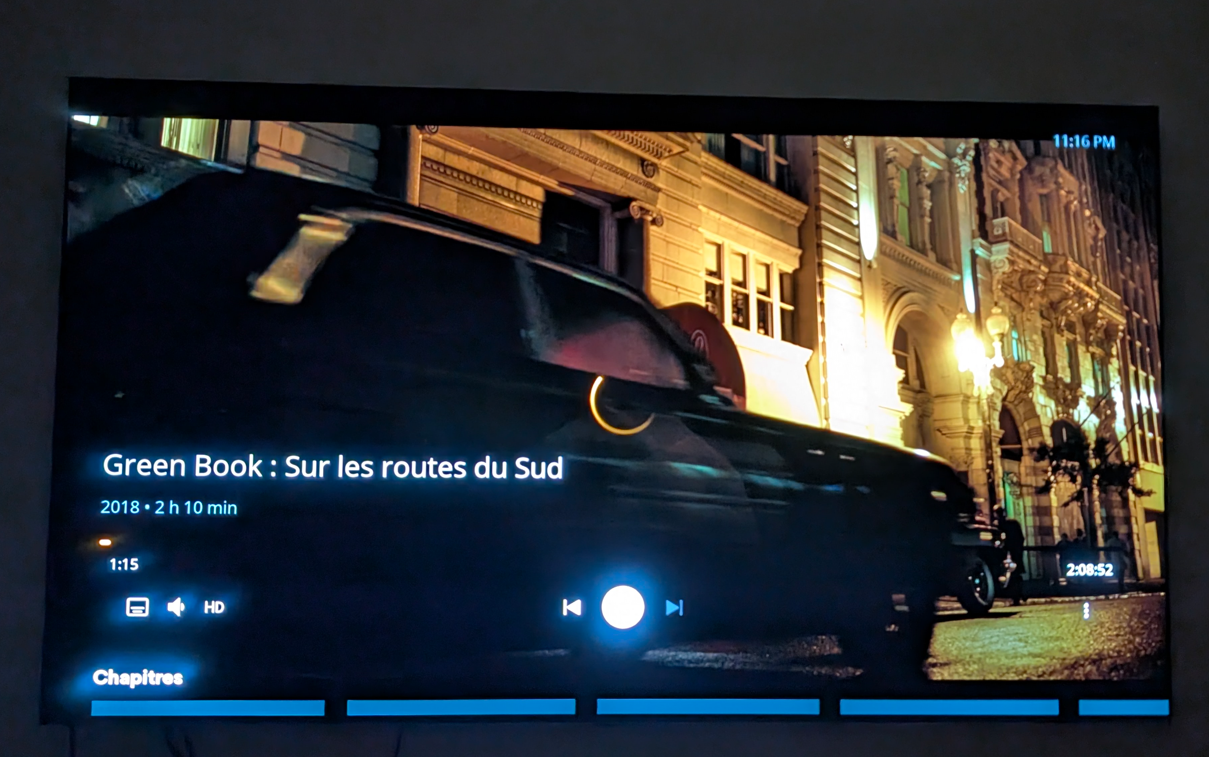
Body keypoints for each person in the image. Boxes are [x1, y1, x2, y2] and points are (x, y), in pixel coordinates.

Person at [1001, 517, 1027, 605]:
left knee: (1013, 576)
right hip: (1015, 554)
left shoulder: (1005, 525)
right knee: (1016, 575)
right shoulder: (1013, 525)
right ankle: (1019, 595)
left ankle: (1017, 596)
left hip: (1010, 555)